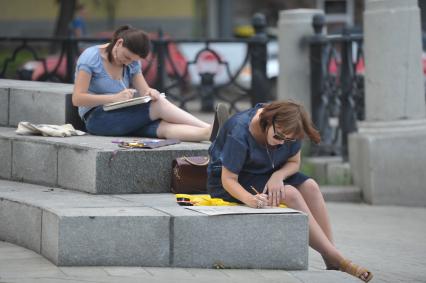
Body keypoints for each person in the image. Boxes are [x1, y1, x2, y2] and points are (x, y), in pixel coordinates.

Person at [207, 100, 373, 282]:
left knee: (311, 187)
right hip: (232, 180)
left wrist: (278, 176)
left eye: (288, 140)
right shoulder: (240, 131)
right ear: (268, 121)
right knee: (291, 193)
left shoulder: (290, 129)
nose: (281, 144)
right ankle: (339, 260)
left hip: (269, 171)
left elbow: (294, 163)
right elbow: (228, 179)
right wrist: (249, 199)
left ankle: (330, 258)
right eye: (278, 137)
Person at [72, 25, 212, 141]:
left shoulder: (132, 62)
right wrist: (113, 98)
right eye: (126, 57)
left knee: (163, 127)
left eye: (133, 60)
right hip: (95, 118)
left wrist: (151, 92)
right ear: (119, 43)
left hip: (119, 114)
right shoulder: (91, 57)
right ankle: (211, 127)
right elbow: (77, 99)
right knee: (158, 105)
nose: (127, 62)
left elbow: (145, 90)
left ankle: (209, 134)